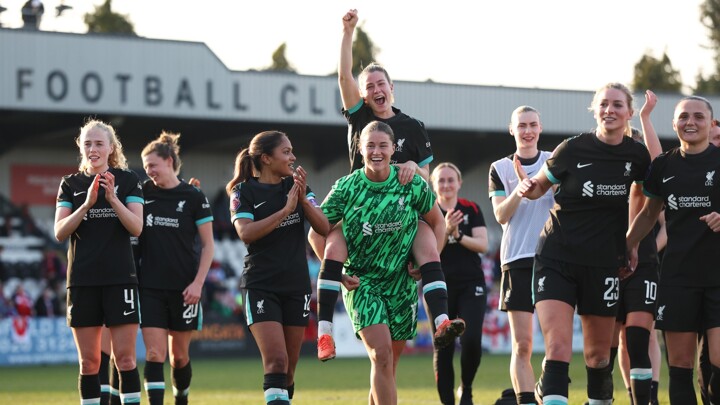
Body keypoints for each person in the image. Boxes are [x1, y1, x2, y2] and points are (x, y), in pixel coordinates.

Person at [312, 8, 463, 362]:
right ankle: (324, 333)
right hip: (358, 208)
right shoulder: (360, 116)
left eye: (382, 84)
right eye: (370, 87)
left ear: (392, 89)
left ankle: (441, 319)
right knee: (329, 245)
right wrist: (348, 32)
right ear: (363, 96)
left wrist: (413, 166)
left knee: (428, 234)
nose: (376, 90)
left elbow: (425, 179)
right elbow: (342, 75)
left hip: (400, 213)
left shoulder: (414, 127)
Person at [517, 82, 651, 405]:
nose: (610, 110)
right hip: (556, 257)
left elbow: (652, 198)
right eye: (603, 104)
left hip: (605, 263)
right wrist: (527, 186)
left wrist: (632, 243)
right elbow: (539, 188)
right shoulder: (572, 149)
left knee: (599, 357)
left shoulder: (637, 155)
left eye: (618, 105)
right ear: (595, 110)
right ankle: (549, 388)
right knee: (559, 348)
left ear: (629, 112)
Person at [321, 121, 445, 405]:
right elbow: (318, 231)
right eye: (370, 145)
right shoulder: (346, 187)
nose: (376, 151)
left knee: (387, 365)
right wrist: (335, 273)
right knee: (381, 355)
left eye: (382, 145)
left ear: (393, 149)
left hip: (401, 282)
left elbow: (438, 223)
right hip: (362, 283)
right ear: (360, 148)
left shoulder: (410, 183)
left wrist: (425, 262)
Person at [626, 95, 720, 405]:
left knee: (717, 370)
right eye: (684, 117)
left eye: (698, 116)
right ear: (674, 123)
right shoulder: (664, 165)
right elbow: (650, 213)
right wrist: (628, 245)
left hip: (717, 278)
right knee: (680, 370)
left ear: (710, 123)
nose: (690, 122)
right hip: (678, 277)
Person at [227, 130, 329, 405]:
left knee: (289, 370)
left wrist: (303, 201)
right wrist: (285, 211)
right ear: (266, 158)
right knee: (275, 361)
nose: (293, 157)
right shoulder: (243, 192)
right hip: (261, 285)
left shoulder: (298, 188)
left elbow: (324, 227)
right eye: (286, 152)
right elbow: (246, 233)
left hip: (296, 287)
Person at [54, 119, 143, 405]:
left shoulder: (128, 180)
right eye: (87, 143)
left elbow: (137, 227)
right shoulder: (70, 184)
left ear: (111, 148)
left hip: (120, 280)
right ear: (80, 147)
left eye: (99, 143)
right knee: (89, 363)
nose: (93, 149)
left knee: (126, 359)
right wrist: (87, 203)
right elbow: (59, 231)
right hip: (82, 281)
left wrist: (112, 198)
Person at [138, 132, 215, 405]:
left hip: (185, 289)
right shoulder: (142, 193)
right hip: (149, 288)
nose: (149, 172)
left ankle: (181, 399)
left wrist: (197, 284)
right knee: (155, 354)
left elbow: (208, 246)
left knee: (179, 356)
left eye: (152, 165)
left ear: (169, 161)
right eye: (146, 167)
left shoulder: (194, 196)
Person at [489, 105, 555, 405]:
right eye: (522, 125)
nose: (528, 131)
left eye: (533, 125)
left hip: (552, 260)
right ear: (511, 129)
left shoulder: (553, 162)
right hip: (516, 261)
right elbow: (501, 215)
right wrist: (520, 189)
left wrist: (539, 185)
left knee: (556, 344)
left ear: (540, 128)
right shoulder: (500, 168)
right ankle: (527, 400)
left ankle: (547, 390)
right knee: (523, 345)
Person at [610, 91, 664, 405]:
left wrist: (645, 117)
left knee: (639, 337)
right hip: (607, 261)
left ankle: (646, 399)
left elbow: (659, 163)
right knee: (614, 342)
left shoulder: (645, 173)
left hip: (643, 262)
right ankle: (627, 395)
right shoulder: (602, 168)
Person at [431, 162, 489, 405]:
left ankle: (466, 387)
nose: (446, 184)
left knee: (471, 340)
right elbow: (431, 251)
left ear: (459, 183)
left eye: (450, 179)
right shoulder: (428, 211)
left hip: (470, 284)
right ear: (433, 185)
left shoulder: (471, 209)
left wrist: (458, 234)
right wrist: (445, 230)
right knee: (443, 347)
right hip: (438, 286)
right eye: (441, 180)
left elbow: (483, 245)